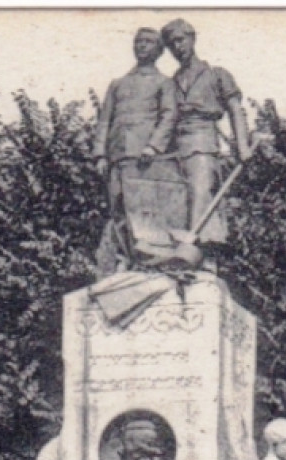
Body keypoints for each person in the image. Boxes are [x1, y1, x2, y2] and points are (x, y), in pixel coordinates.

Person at [93, 28, 180, 276]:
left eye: (149, 42)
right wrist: (100, 154)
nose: (142, 46)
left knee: (144, 209)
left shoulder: (164, 83)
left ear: (159, 50)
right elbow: (104, 121)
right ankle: (124, 257)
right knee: (118, 208)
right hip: (116, 157)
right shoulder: (117, 84)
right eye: (138, 42)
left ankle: (147, 258)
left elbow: (169, 115)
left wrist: (153, 145)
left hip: (146, 158)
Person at [161, 18, 250, 252]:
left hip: (202, 142)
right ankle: (181, 253)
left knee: (200, 193)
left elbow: (235, 110)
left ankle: (199, 249)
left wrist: (242, 146)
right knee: (178, 198)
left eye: (180, 40)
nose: (177, 48)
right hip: (175, 147)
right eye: (171, 45)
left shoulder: (217, 74)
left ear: (192, 38)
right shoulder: (171, 82)